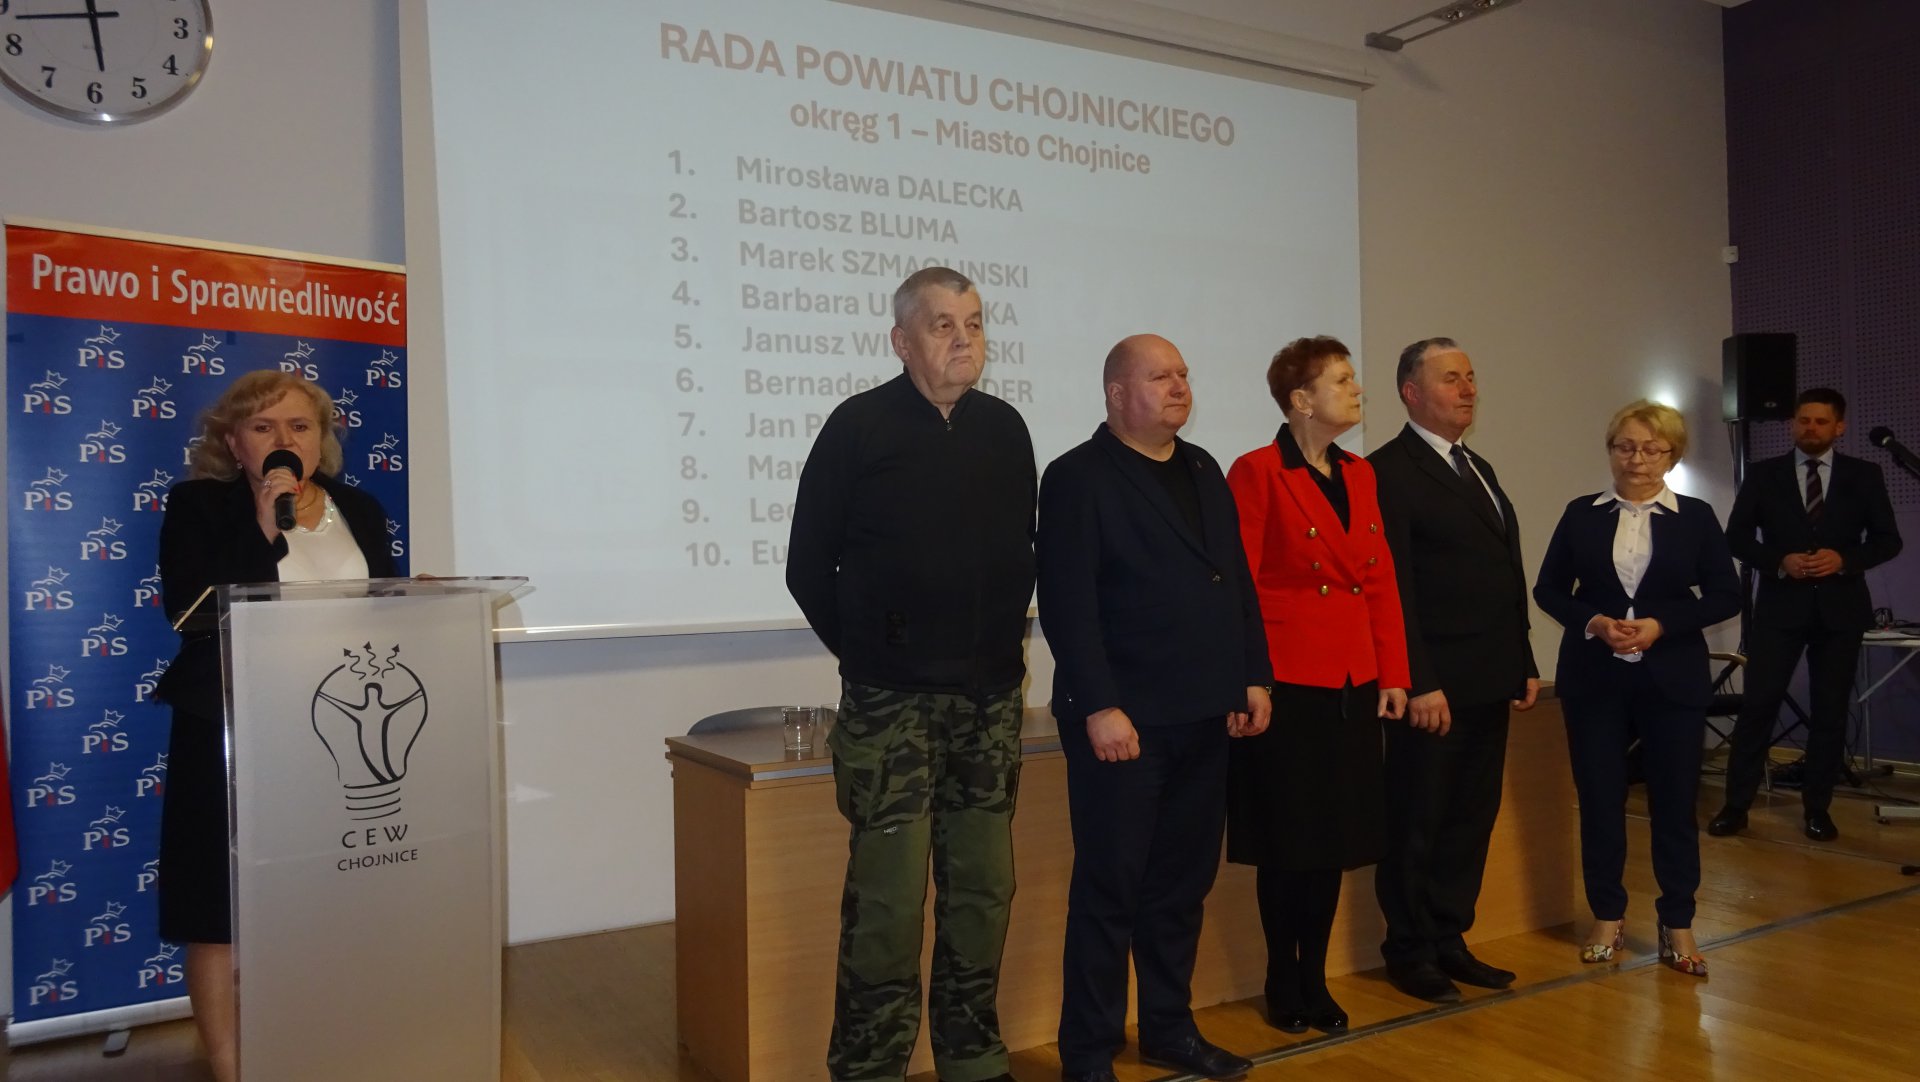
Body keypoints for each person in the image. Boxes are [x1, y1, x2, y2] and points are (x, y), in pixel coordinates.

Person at [786, 267, 1035, 1082]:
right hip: (890, 705)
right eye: (942, 324)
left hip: (989, 703)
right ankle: (869, 1067)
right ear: (901, 340)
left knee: (984, 891)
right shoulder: (859, 427)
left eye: (974, 322)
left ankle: (973, 1057)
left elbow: (1020, 553)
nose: (964, 339)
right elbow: (807, 567)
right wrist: (873, 655)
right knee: (888, 903)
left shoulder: (1006, 430)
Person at [1037, 334, 1272, 1082]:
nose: (1179, 387)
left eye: (1183, 375)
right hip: (1123, 723)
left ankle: (1169, 1028)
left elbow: (1234, 580)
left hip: (1205, 714)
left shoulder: (1203, 468)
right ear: (1116, 393)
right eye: (1160, 376)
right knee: (1110, 890)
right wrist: (1099, 705)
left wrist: (1252, 676)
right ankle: (1087, 1052)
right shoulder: (1076, 476)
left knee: (1179, 888)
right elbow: (1068, 604)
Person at [156, 370, 397, 1082]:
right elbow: (190, 612)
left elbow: (381, 608)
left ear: (321, 440)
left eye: (299, 425)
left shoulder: (360, 508)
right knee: (217, 905)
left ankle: (321, 1046)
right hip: (230, 724)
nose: (283, 438)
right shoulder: (199, 505)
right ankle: (231, 1068)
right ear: (234, 444)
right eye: (263, 427)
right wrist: (263, 525)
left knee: (326, 892)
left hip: (337, 729)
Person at [1223, 336, 1408, 1034]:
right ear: (1301, 399)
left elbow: (1379, 581)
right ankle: (1281, 978)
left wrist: (1394, 672)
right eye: (1342, 380)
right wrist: (1248, 676)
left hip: (1352, 680)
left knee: (1332, 841)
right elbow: (1238, 586)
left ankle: (1314, 977)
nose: (1357, 390)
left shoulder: (1360, 474)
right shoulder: (1257, 471)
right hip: (1286, 682)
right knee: (1289, 841)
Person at [1533, 401, 1741, 976]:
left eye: (1652, 449)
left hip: (1672, 676)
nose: (1637, 459)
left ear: (1672, 456)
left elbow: (1726, 595)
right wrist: (1595, 622)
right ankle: (1607, 915)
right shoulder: (1581, 513)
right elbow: (1548, 589)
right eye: (1625, 446)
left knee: (1674, 804)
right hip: (1594, 676)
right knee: (1600, 799)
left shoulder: (1695, 516)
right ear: (1610, 450)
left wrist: (1662, 625)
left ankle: (1678, 922)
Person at [1365, 337, 1540, 1003]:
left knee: (1469, 819)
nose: (1467, 389)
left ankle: (1448, 937)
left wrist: (1524, 659)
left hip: (1489, 679)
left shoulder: (1478, 467)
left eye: (1470, 377)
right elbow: (1395, 589)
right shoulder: (1387, 471)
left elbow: (1505, 573)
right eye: (1450, 379)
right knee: (1418, 821)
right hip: (1432, 688)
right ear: (1410, 393)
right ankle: (1409, 950)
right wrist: (1417, 678)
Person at [1710, 388, 1903, 842]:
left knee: (1830, 711)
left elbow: (1888, 540)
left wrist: (1845, 559)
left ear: (1840, 427)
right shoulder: (1764, 474)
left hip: (1841, 610)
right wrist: (1779, 561)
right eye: (1803, 420)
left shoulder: (1864, 474)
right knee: (1758, 706)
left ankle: (1818, 809)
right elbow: (1736, 537)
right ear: (1792, 423)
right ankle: (1736, 806)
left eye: (1820, 421)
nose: (1810, 428)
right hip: (1779, 609)